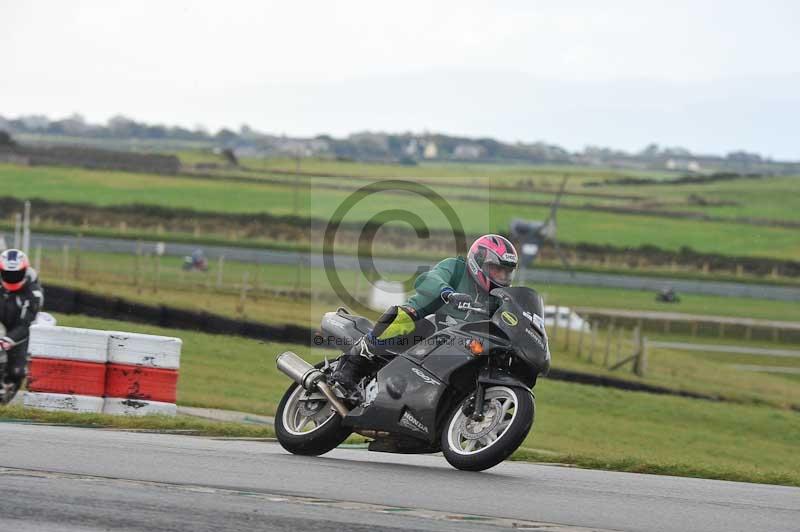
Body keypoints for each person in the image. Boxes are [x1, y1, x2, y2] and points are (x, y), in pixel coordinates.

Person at [332, 234, 519, 389]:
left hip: (459, 344)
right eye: (497, 269)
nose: (502, 276)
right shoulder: (456, 267)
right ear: (479, 262)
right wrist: (448, 293)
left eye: (506, 271)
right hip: (426, 321)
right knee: (404, 319)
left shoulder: (498, 297)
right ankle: (355, 360)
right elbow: (428, 278)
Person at [0, 249, 44, 399]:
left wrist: (7, 340)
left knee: (16, 372)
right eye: (7, 273)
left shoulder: (33, 292)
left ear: (24, 270)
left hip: (22, 332)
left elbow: (27, 324)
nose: (11, 277)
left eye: (16, 273)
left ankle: (7, 393)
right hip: (1, 325)